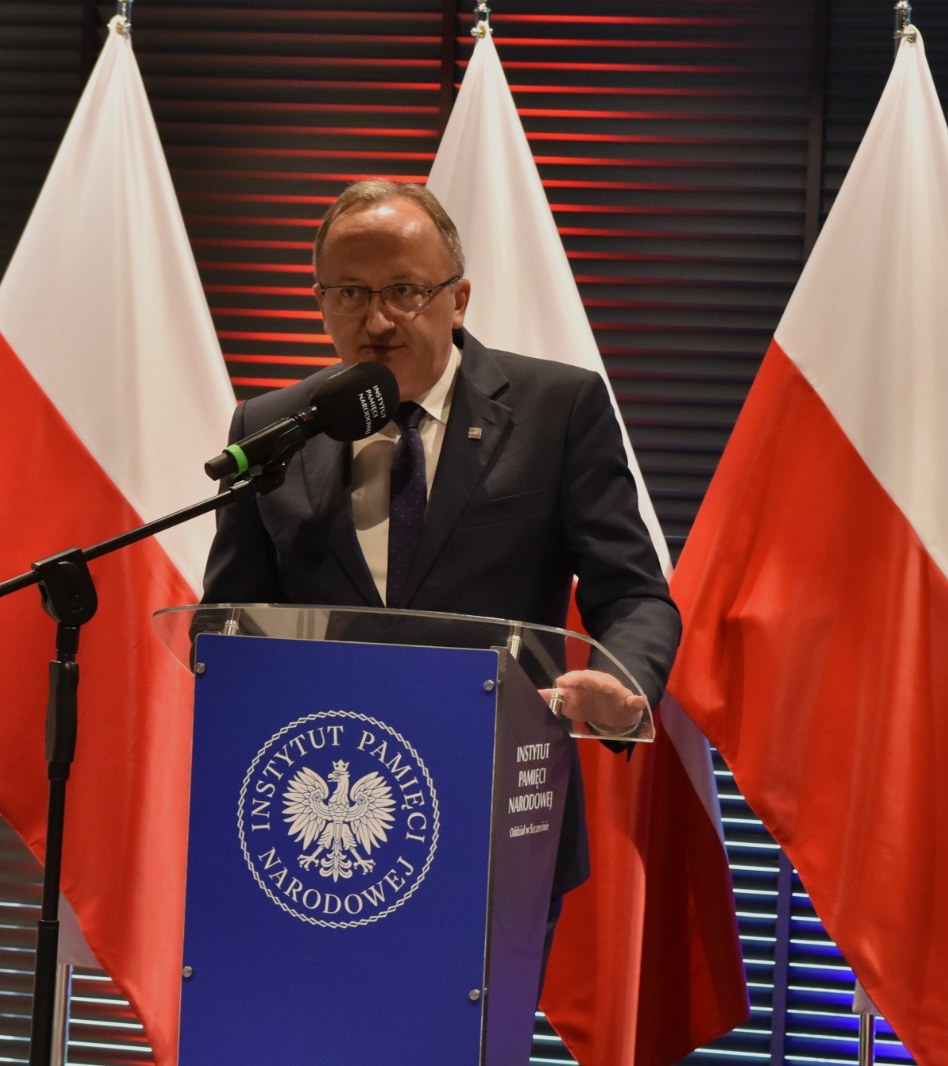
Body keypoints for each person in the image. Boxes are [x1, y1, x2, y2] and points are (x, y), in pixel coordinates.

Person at [200, 179, 680, 909]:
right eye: (351, 293)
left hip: (497, 814)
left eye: (405, 290)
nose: (378, 320)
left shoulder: (557, 409)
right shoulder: (272, 429)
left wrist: (625, 686)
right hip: (318, 836)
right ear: (321, 301)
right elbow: (229, 624)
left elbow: (634, 593)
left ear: (458, 299)